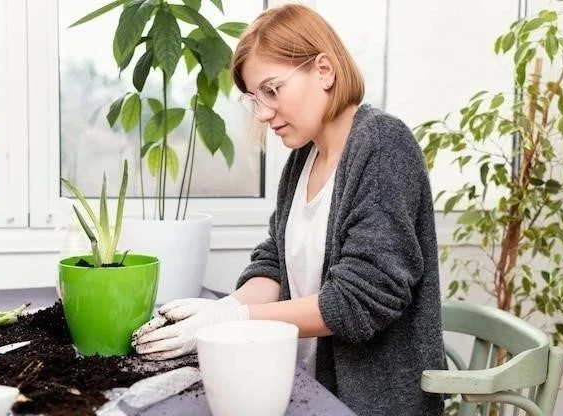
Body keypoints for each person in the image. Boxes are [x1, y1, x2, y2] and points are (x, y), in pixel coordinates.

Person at [132, 4, 446, 415]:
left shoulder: (383, 146)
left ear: (325, 71)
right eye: (254, 98)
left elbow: (359, 301)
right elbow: (275, 263)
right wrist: (223, 310)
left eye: (272, 90)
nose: (262, 113)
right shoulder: (304, 158)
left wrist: (236, 320)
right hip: (301, 388)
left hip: (364, 405)